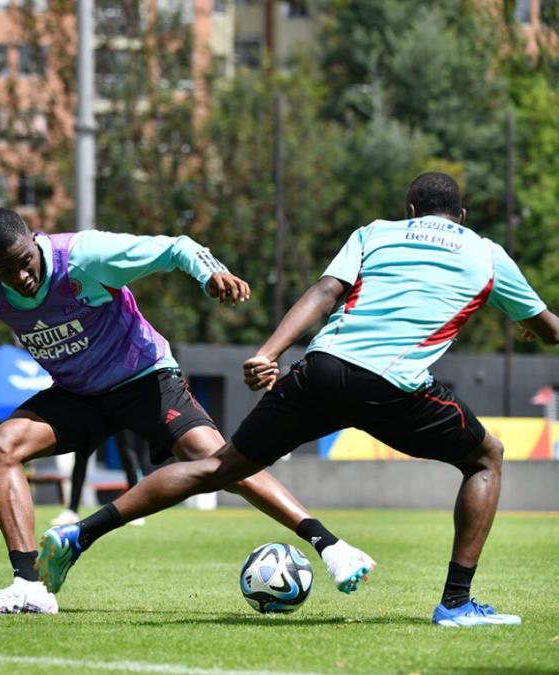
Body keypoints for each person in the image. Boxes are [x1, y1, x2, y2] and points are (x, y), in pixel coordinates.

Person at [38, 172, 559, 627]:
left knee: (219, 466)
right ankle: (456, 604)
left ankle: (79, 536)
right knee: (485, 456)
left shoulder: (375, 234)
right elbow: (546, 327)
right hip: (391, 386)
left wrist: (269, 351)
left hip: (321, 367)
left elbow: (325, 292)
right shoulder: (487, 253)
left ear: (410, 212)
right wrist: (535, 326)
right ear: (461, 216)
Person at [0, 207, 375, 614]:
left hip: (145, 379)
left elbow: (174, 247)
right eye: (7, 272)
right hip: (78, 395)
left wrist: (208, 272)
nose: (22, 278)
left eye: (26, 263)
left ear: (36, 241)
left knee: (222, 463)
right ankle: (31, 587)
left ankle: (329, 546)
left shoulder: (85, 257)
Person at [51, 433, 147, 528]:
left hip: (120, 417)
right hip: (97, 417)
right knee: (81, 451)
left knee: (126, 451)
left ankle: (136, 511)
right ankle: (72, 511)